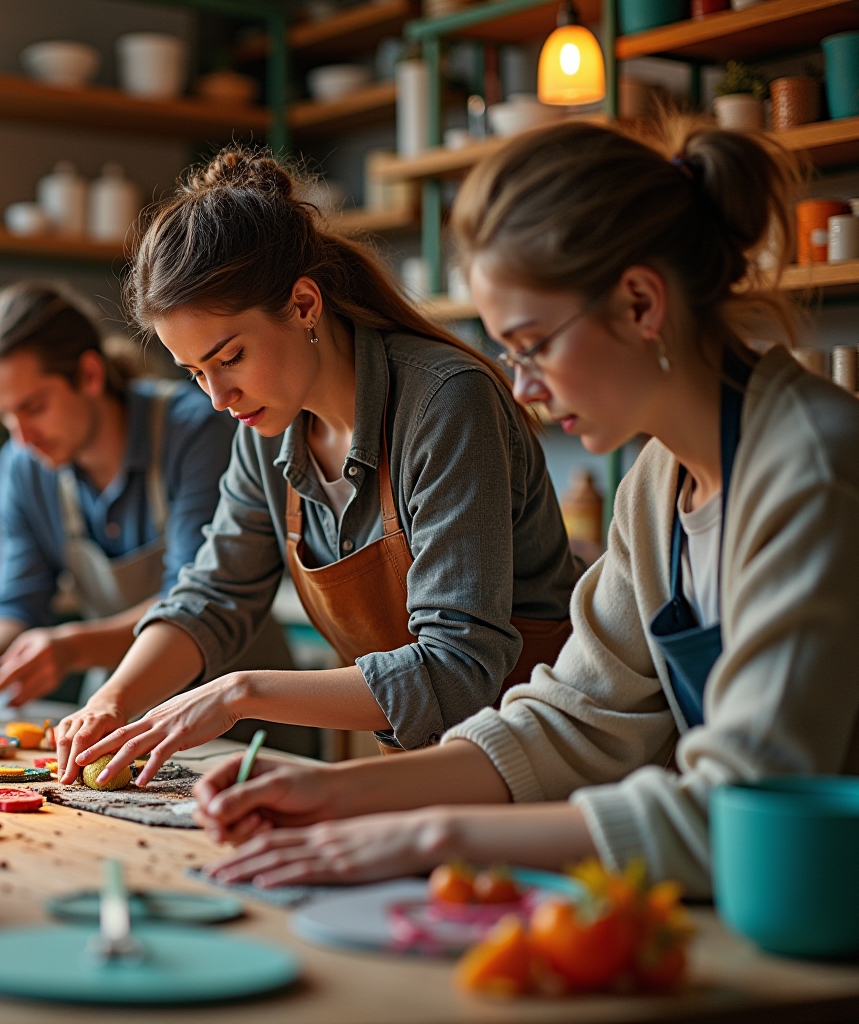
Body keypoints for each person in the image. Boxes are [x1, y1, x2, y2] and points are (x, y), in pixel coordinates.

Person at [191, 119, 859, 897]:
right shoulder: (658, 481)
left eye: (535, 343)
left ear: (641, 302)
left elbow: (741, 814)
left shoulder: (811, 471)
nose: (523, 389)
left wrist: (428, 832)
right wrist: (331, 793)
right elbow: (570, 717)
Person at [55, 147, 582, 787]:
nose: (218, 399)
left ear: (304, 305)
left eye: (231, 358)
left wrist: (237, 693)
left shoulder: (445, 402)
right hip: (425, 780)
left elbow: (457, 667)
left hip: (542, 772)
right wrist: (112, 699)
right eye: (196, 374)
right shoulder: (268, 429)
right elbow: (214, 595)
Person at [0, 281, 291, 715]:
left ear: (90, 375)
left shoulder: (193, 431)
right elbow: (18, 598)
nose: (21, 437)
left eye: (34, 407)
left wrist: (74, 648)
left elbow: (198, 598)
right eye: (4, 415)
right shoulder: (24, 466)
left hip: (237, 706)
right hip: (118, 708)